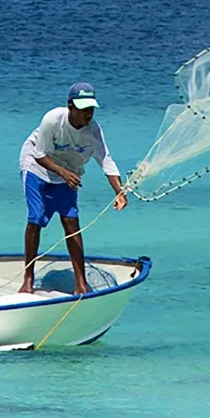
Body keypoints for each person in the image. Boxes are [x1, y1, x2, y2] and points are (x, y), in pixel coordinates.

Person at [20, 82, 128, 293]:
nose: (88, 114)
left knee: (71, 223)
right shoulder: (52, 120)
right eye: (83, 109)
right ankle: (28, 279)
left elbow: (106, 160)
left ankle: (81, 283)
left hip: (67, 171)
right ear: (70, 106)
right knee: (36, 219)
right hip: (36, 166)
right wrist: (63, 173)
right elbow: (40, 154)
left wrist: (120, 192)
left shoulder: (93, 130)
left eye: (91, 109)